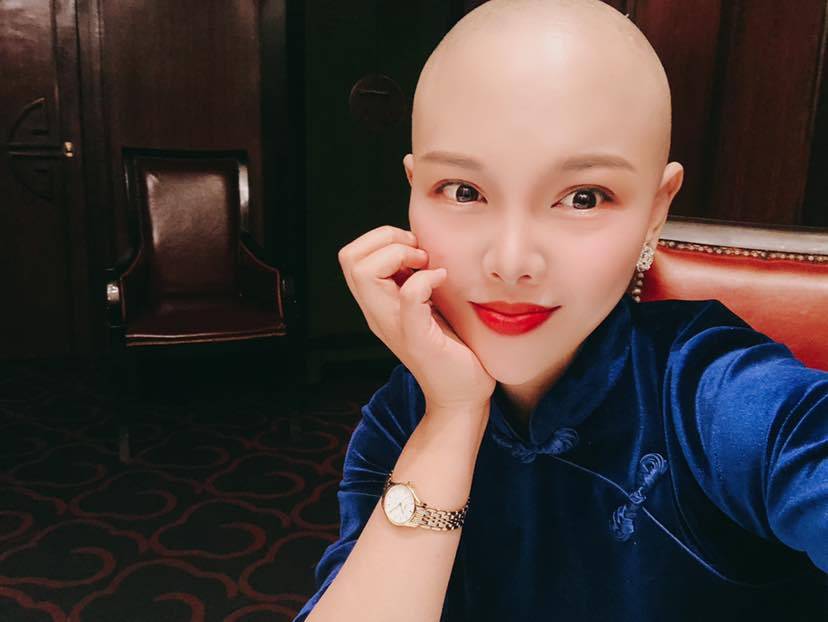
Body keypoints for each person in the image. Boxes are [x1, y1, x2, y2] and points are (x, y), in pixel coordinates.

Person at [294, 0, 828, 620]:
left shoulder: (713, 396)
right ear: (414, 191)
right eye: (464, 191)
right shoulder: (402, 416)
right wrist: (453, 415)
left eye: (583, 197)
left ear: (656, 209)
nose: (512, 261)